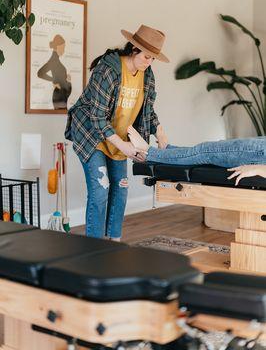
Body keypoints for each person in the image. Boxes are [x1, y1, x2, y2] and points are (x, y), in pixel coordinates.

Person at [65, 24, 169, 239]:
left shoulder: (146, 75)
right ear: (134, 49)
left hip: (119, 138)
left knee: (120, 189)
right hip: (91, 135)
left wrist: (160, 132)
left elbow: (148, 109)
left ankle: (114, 243)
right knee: (100, 191)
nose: (149, 62)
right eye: (147, 57)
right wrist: (125, 147)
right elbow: (97, 117)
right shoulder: (109, 70)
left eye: (153, 59)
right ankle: (94, 248)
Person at [127, 125, 266, 185]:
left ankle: (148, 151)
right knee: (206, 152)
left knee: (205, 151)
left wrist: (258, 169)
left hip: (260, 153)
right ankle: (166, 149)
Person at [38, 34, 72, 109]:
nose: (64, 50)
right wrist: (54, 80)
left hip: (61, 97)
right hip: (59, 97)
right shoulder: (53, 61)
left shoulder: (56, 61)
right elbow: (40, 73)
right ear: (58, 47)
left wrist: (67, 82)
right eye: (63, 47)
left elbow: (66, 90)